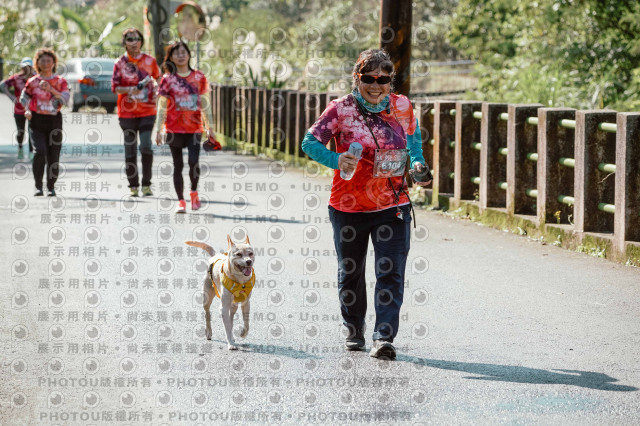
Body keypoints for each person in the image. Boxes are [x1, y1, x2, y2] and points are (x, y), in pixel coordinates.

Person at [301, 49, 432, 360]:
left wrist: (417, 164)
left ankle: (383, 336)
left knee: (391, 271)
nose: (376, 84)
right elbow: (310, 142)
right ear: (357, 78)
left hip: (393, 201)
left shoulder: (402, 106)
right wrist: (336, 159)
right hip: (349, 205)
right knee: (351, 271)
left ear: (390, 81)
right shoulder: (340, 109)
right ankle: (354, 327)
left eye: (383, 79)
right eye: (369, 78)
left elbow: (413, 140)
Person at [154, 41, 215, 214]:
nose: (181, 55)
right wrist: (158, 129)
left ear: (189, 54)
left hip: (195, 128)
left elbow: (205, 103)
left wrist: (210, 127)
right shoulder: (167, 79)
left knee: (194, 162)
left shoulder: (199, 77)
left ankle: (194, 193)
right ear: (171, 57)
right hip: (173, 128)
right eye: (176, 52)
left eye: (183, 52)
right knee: (178, 165)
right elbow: (162, 105)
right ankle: (181, 201)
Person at [111, 28, 161, 197]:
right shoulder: (119, 64)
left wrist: (156, 89)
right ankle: (133, 185)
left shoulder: (150, 61)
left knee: (146, 146)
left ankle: (146, 185)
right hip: (127, 113)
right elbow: (116, 88)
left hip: (147, 111)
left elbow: (160, 80)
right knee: (130, 150)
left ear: (141, 41)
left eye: (136, 39)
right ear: (124, 43)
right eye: (129, 39)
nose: (133, 42)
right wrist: (131, 89)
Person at [20, 49, 69, 197]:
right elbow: (24, 97)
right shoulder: (32, 81)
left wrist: (51, 89)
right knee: (40, 151)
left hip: (54, 120)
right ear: (37, 63)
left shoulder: (60, 81)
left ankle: (51, 186)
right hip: (37, 120)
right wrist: (26, 109)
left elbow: (65, 100)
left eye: (49, 61)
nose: (46, 64)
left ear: (54, 63)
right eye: (42, 61)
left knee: (53, 154)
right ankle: (38, 186)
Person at [0, 57, 36, 158]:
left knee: (32, 131)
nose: (26, 69)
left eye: (29, 67)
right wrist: (11, 97)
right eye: (24, 67)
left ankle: (31, 152)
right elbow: (3, 85)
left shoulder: (35, 78)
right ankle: (20, 147)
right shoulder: (16, 78)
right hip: (19, 109)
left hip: (32, 109)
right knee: (21, 131)